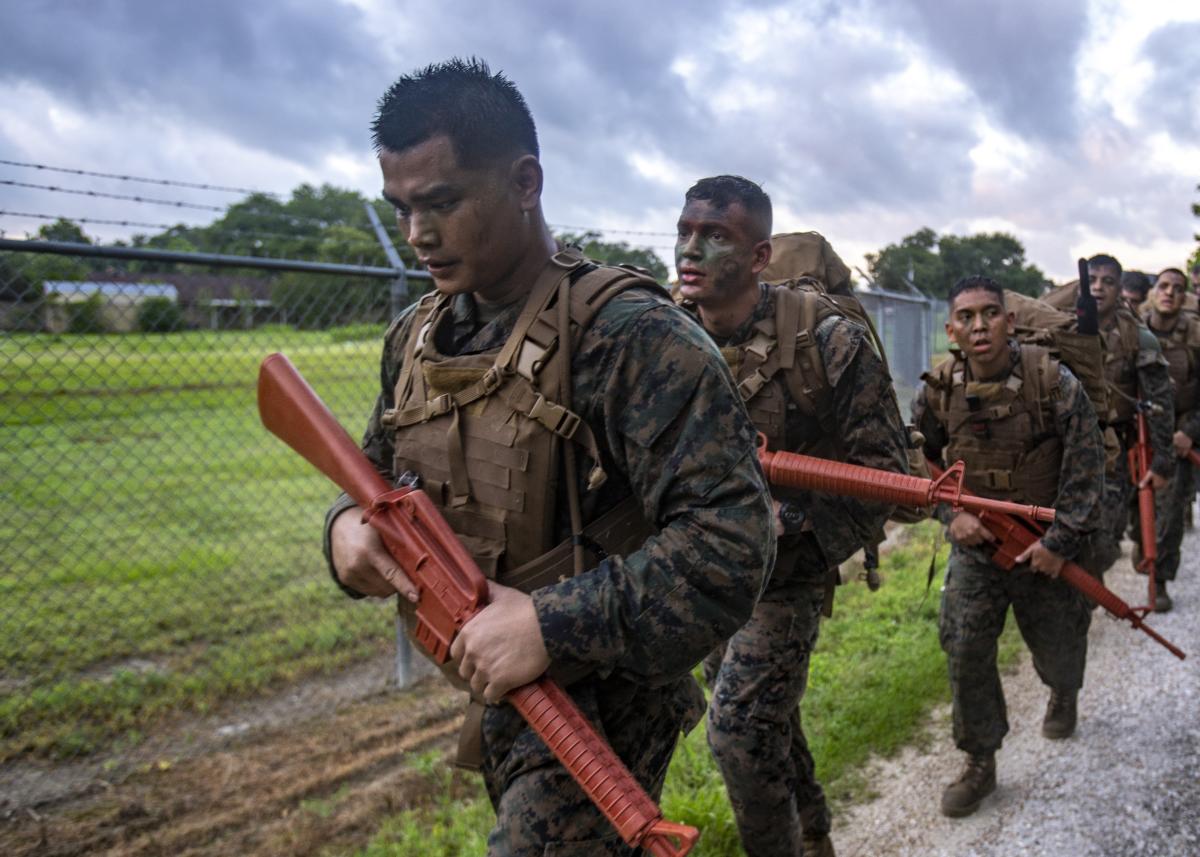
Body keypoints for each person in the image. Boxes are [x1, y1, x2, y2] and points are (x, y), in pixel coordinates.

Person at [323, 59, 775, 855]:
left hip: (601, 696)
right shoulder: (417, 337)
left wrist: (549, 622)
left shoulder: (632, 337)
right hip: (496, 678)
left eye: (442, 203)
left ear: (526, 181)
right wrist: (344, 527)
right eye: (401, 210)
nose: (418, 235)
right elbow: (376, 473)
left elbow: (731, 542)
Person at [675, 175, 908, 857]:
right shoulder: (665, 335)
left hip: (786, 573)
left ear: (757, 257)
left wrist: (796, 520)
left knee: (738, 729)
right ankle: (813, 828)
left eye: (714, 236)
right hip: (702, 569)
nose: (690, 250)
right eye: (685, 232)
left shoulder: (829, 341)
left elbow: (885, 477)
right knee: (753, 708)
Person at [913, 276, 1103, 818]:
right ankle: (979, 760)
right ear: (951, 328)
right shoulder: (937, 389)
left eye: (990, 314)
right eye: (967, 317)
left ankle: (1064, 691)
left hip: (1044, 546)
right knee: (965, 644)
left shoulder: (1054, 383)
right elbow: (915, 464)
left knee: (1059, 646)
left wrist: (1061, 543)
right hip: (977, 547)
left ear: (1010, 321)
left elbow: (1087, 467)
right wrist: (953, 515)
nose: (979, 326)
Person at [1082, 256, 1173, 578]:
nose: (1098, 287)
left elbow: (1159, 401)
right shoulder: (1061, 326)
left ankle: (1089, 591)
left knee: (1106, 535)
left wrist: (1163, 460)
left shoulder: (1138, 335)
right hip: (1060, 447)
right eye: (1092, 279)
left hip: (1113, 449)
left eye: (1108, 281)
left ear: (1119, 288)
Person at [1137, 267, 1200, 612]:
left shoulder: (1195, 336)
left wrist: (1189, 433)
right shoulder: (1134, 330)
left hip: (1180, 433)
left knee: (1171, 509)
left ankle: (1159, 578)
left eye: (1178, 288)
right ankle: (1138, 544)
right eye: (1163, 286)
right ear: (1153, 291)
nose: (1170, 293)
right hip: (1138, 431)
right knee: (1134, 507)